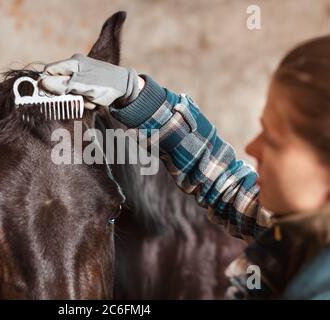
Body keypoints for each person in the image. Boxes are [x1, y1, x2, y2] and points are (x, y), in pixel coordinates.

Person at [40, 36, 330, 299]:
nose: (253, 147)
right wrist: (136, 95)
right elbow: (228, 186)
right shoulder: (305, 236)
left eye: (274, 141)